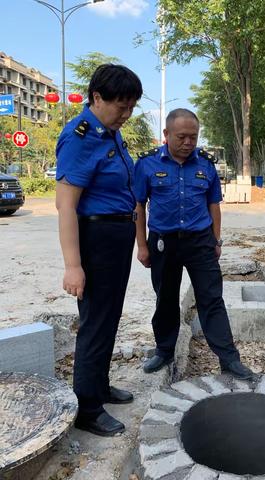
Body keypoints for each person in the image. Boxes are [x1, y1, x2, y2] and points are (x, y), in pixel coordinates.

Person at [134, 108, 254, 381]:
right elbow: (138, 206)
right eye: (182, 137)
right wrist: (142, 245)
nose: (188, 142)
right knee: (165, 299)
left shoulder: (206, 165)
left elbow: (214, 205)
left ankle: (228, 359)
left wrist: (216, 239)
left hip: (200, 241)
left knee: (211, 299)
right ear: (166, 135)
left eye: (193, 137)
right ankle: (164, 350)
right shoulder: (147, 164)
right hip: (163, 242)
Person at [56, 64, 142, 436]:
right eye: (120, 106)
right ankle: (87, 407)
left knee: (109, 317)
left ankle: (99, 386)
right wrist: (73, 265)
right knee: (94, 322)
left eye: (131, 107)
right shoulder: (80, 138)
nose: (126, 115)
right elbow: (66, 206)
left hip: (117, 235)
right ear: (96, 98)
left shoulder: (110, 134)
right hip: (95, 239)